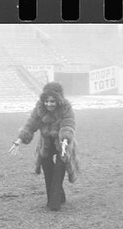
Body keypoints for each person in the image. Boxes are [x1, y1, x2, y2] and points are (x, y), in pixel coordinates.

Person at [9, 82, 80, 211]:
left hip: (63, 141)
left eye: (52, 101)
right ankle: (56, 196)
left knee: (59, 168)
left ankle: (55, 203)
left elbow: (68, 124)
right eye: (46, 101)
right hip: (47, 141)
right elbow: (31, 124)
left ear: (58, 100)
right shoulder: (39, 108)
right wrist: (20, 139)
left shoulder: (66, 108)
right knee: (47, 166)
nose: (49, 104)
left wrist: (65, 141)